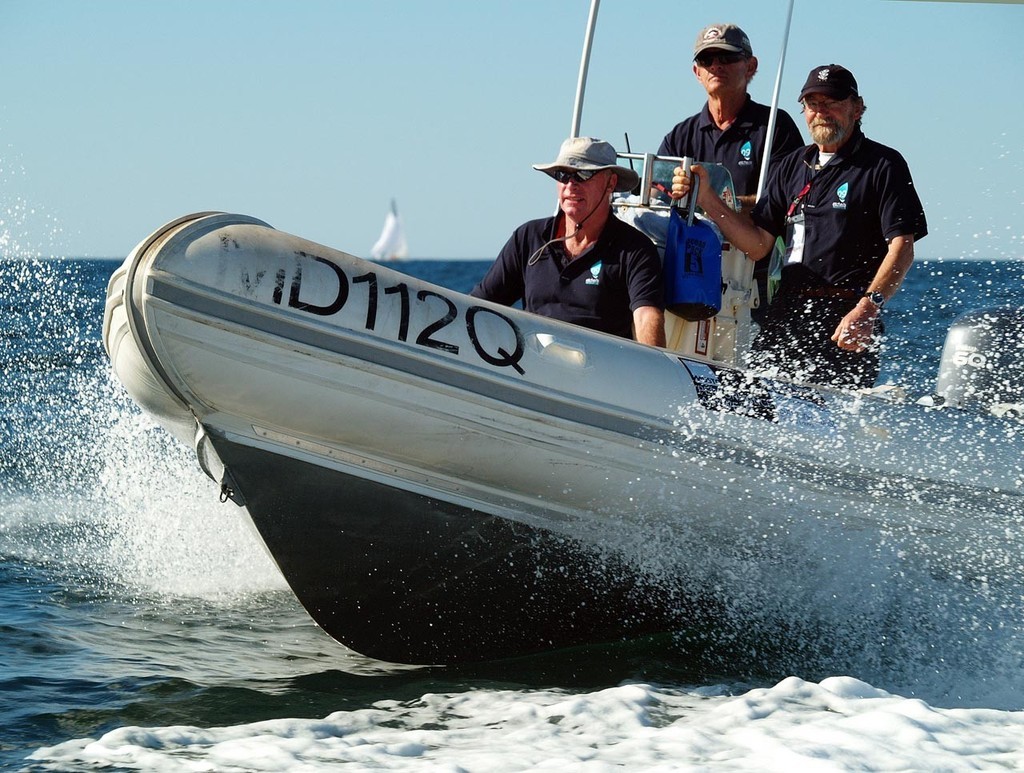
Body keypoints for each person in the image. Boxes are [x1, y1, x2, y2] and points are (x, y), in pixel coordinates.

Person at [671, 64, 928, 389]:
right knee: (757, 403)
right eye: (812, 104)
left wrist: (867, 310)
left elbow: (902, 247)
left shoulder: (882, 165)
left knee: (831, 423)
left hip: (846, 317)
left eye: (832, 102)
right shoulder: (792, 164)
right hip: (787, 314)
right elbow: (759, 244)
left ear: (857, 107)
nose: (821, 112)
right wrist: (707, 197)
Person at [659, 23, 805, 322]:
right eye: (707, 60)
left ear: (750, 66)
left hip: (757, 279)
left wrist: (711, 199)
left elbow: (786, 202)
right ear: (696, 72)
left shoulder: (775, 127)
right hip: (692, 274)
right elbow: (657, 197)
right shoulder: (680, 136)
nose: (716, 66)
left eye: (726, 58)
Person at [471, 137, 666, 347]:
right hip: (530, 368)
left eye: (584, 174)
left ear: (611, 183)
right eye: (563, 175)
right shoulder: (528, 238)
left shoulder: (634, 249)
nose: (571, 185)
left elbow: (647, 316)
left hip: (599, 373)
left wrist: (654, 371)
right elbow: (479, 306)